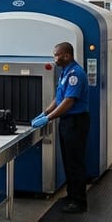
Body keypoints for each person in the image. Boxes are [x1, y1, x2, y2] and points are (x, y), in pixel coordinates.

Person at [32, 42, 90, 213]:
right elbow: (59, 98)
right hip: (66, 122)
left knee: (75, 162)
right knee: (67, 160)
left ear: (67, 55)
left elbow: (68, 102)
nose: (54, 58)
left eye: (57, 55)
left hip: (76, 122)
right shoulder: (65, 73)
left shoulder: (75, 74)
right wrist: (44, 113)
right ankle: (71, 195)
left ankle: (79, 201)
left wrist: (48, 118)